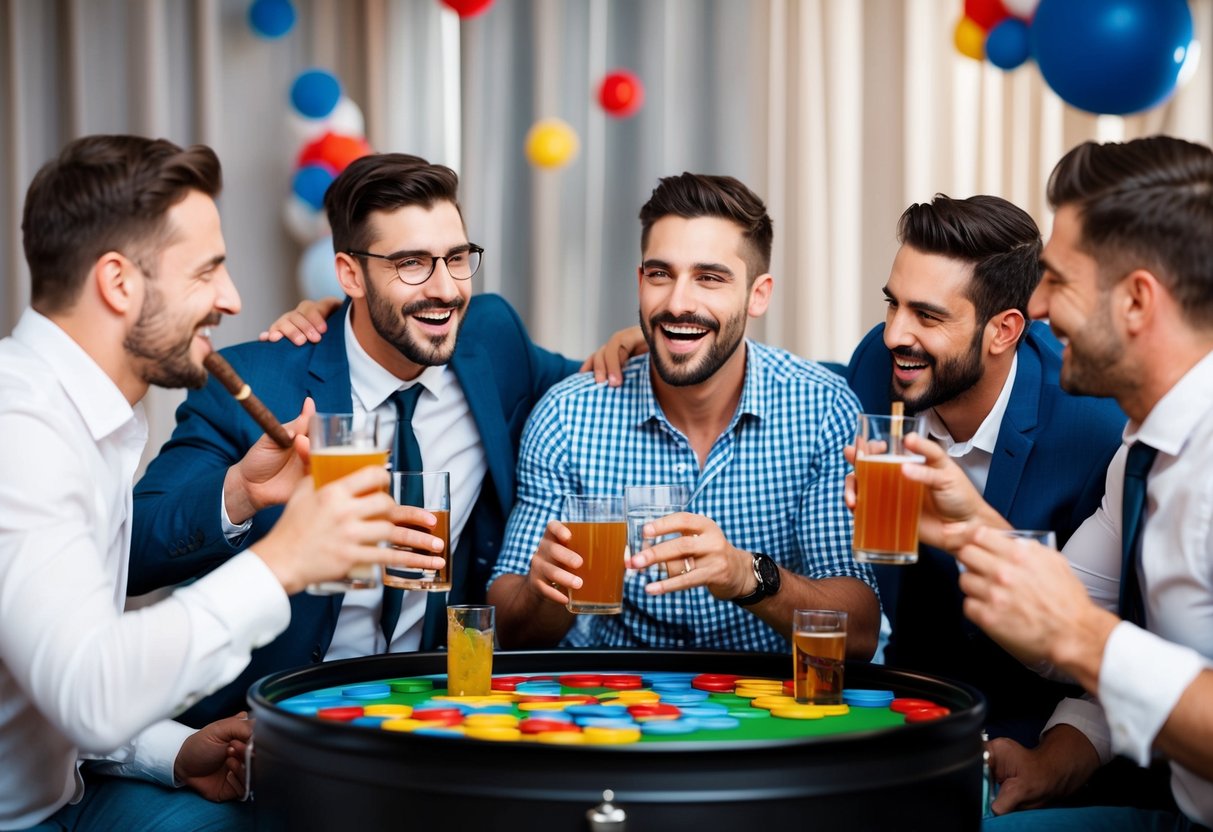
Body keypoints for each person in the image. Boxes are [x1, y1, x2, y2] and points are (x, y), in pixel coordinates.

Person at [0, 136, 433, 830]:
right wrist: (286, 556)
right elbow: (90, 692)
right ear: (118, 284)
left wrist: (172, 750)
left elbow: (54, 675)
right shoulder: (20, 426)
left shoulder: (86, 420)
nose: (231, 299)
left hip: (63, 795)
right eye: (207, 272)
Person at [129, 152, 611, 728]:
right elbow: (133, 554)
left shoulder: (492, 340)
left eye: (457, 259)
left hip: (440, 710)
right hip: (277, 716)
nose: (445, 290)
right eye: (411, 264)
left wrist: (634, 344)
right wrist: (240, 492)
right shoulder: (258, 385)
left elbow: (598, 386)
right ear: (350, 274)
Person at [902, 136, 1213, 828]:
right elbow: (1060, 630)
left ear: (1136, 301)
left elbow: (1078, 636)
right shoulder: (1140, 450)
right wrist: (965, 526)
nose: (1035, 307)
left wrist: (1083, 638)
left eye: (1058, 280)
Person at [487, 172, 880, 654]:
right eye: (660, 274)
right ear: (640, 281)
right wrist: (545, 589)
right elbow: (509, 628)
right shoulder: (568, 416)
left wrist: (745, 576)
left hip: (773, 709)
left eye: (709, 278)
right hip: (614, 705)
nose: (677, 303)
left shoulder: (821, 408)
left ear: (758, 294)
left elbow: (858, 633)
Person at [843, 194, 1126, 745]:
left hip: (1025, 732)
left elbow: (1108, 643)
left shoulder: (1094, 427)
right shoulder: (875, 365)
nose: (894, 334)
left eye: (927, 315)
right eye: (892, 304)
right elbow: (809, 389)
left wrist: (1061, 753)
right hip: (888, 715)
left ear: (1004, 330)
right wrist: (658, 356)